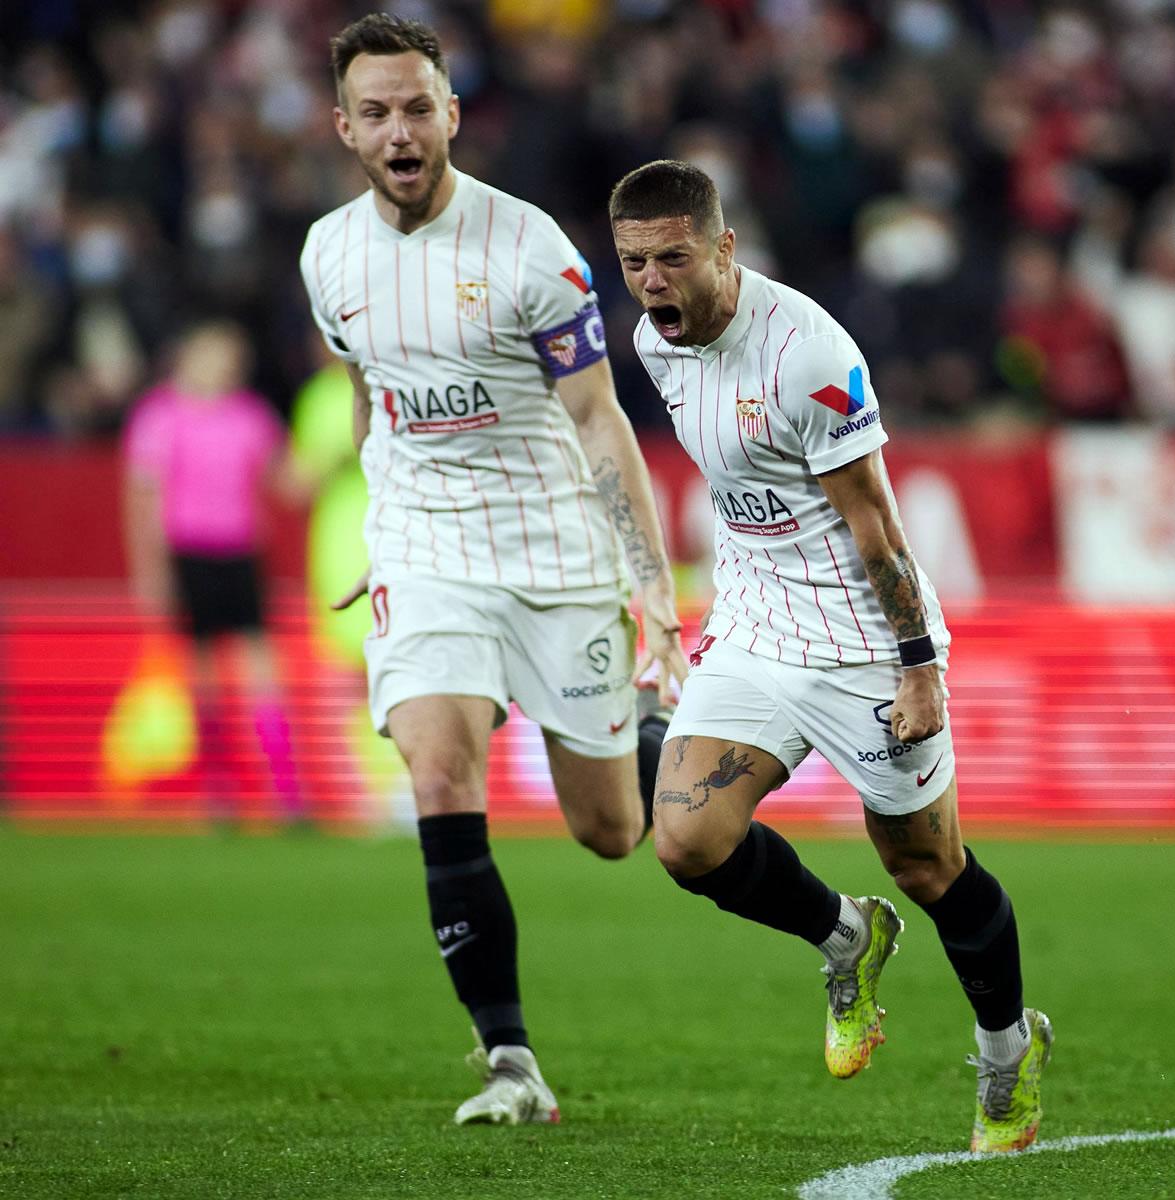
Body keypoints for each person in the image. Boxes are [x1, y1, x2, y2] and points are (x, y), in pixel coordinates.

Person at [607, 160, 1051, 1154]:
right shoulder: (654, 341)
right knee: (684, 839)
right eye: (634, 262)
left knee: (930, 866)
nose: (652, 282)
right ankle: (848, 934)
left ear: (724, 248)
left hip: (863, 643)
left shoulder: (808, 356)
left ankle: (1007, 1051)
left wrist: (919, 665)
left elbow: (878, 528)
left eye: (673, 257)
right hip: (759, 626)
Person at [298, 15, 687, 1126]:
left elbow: (601, 423)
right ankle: (510, 1060)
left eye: (418, 106)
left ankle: (664, 748)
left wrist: (650, 585)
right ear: (344, 128)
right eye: (376, 112)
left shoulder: (532, 253)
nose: (399, 128)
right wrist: (384, 528)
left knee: (610, 832)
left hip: (555, 548)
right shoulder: (329, 255)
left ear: (452, 114)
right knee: (437, 772)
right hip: (429, 553)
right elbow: (373, 388)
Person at [123, 318, 308, 826]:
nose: (226, 367)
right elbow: (143, 499)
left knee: (263, 673)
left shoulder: (249, 415)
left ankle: (288, 793)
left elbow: (287, 479)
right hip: (190, 553)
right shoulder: (160, 414)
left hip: (242, 552)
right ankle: (218, 792)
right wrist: (151, 572)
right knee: (203, 678)